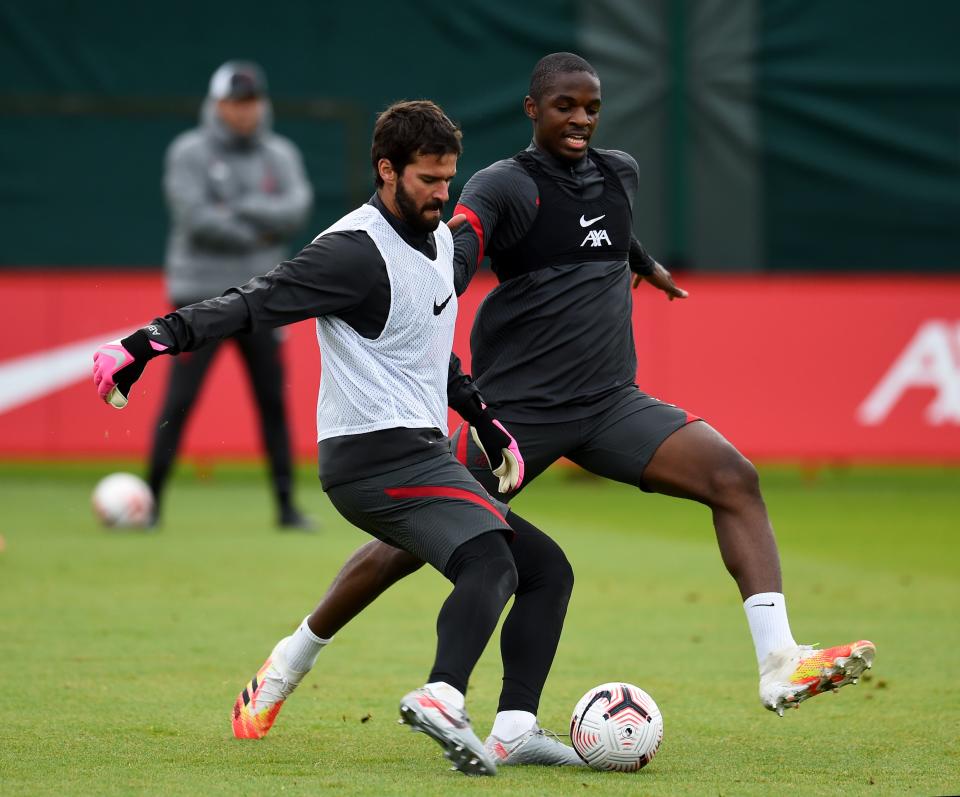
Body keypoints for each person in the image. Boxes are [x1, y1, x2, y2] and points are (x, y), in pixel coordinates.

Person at [227, 52, 876, 758]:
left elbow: (605, 225)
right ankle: (288, 662)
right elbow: (455, 246)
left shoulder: (619, 171)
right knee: (402, 547)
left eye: (591, 107)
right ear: (533, 110)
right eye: (565, 106)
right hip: (515, 414)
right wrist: (427, 283)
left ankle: (778, 660)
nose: (581, 119)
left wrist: (644, 263)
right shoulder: (502, 186)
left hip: (609, 403)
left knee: (733, 477)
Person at [93, 99, 580, 775]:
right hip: (370, 457)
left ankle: (514, 727)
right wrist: (151, 340)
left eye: (449, 179)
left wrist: (485, 419)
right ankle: (442, 695)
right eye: (429, 180)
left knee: (548, 570)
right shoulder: (351, 251)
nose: (444, 194)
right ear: (386, 169)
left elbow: (425, 344)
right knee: (491, 557)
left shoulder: (438, 238)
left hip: (420, 449)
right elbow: (255, 299)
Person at [149, 60, 313, 529]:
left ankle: (286, 507)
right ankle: (152, 501)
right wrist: (259, 230)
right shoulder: (189, 151)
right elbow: (196, 219)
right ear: (217, 104)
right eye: (236, 102)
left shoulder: (279, 153)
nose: (245, 111)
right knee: (179, 401)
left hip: (261, 296)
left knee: (272, 402)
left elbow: (295, 208)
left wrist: (237, 209)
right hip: (198, 296)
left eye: (252, 101)